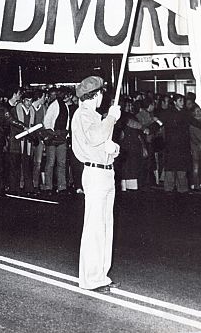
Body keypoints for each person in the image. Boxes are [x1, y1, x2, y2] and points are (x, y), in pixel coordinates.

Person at [71, 76, 121, 292]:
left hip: (105, 172)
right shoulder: (84, 114)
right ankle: (91, 279)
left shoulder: (92, 115)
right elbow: (94, 137)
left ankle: (100, 275)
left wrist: (113, 150)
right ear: (97, 94)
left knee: (105, 227)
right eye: (102, 94)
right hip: (95, 173)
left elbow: (100, 142)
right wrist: (111, 118)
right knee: (95, 228)